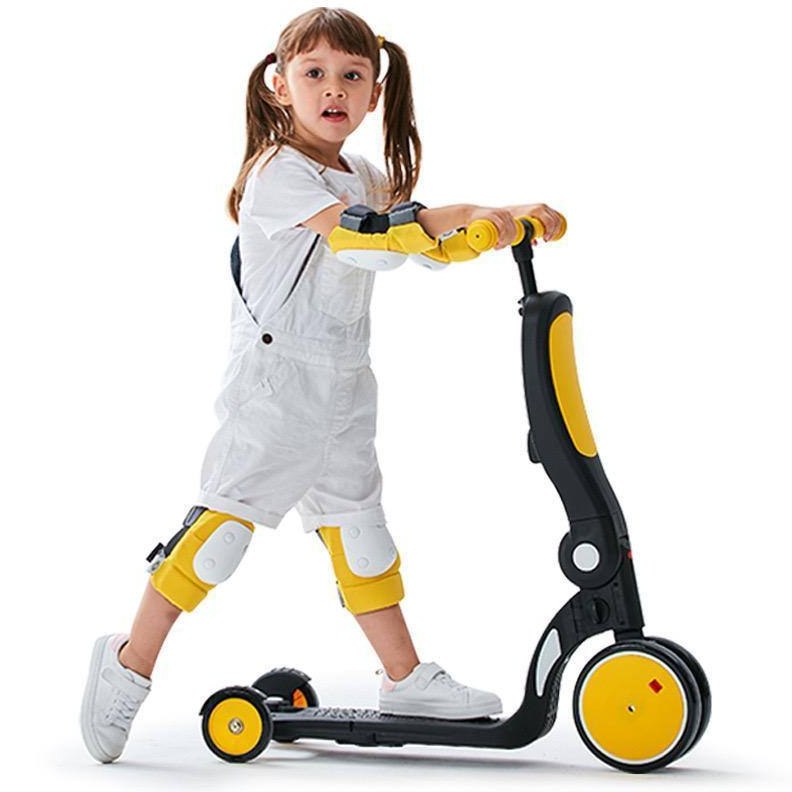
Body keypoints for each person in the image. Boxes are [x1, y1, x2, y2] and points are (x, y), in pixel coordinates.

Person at [80, 6, 564, 764]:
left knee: (361, 534)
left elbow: (417, 234)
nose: (332, 88)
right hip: (275, 390)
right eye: (314, 73)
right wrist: (456, 222)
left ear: (373, 93)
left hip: (344, 387)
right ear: (281, 85)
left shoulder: (363, 175)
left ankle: (404, 678)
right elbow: (364, 235)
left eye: (350, 75)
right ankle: (127, 664)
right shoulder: (279, 174)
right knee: (218, 539)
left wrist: (497, 218)